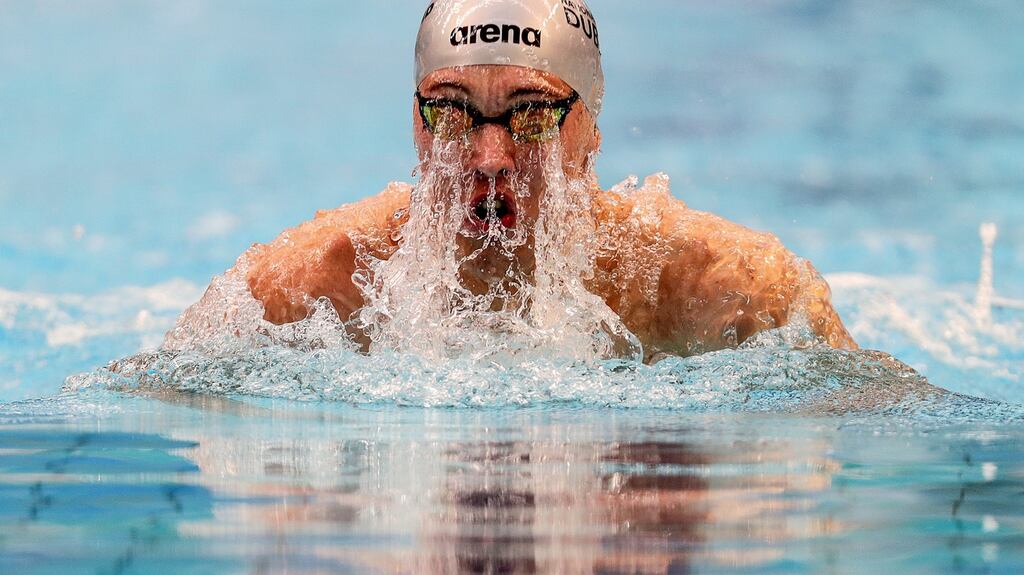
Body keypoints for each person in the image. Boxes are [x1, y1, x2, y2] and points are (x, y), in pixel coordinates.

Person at [237, 0, 856, 361]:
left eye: (532, 114)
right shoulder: (310, 288)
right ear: (416, 124)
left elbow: (861, 442)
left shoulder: (725, 291)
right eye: (450, 111)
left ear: (590, 130)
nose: (487, 156)